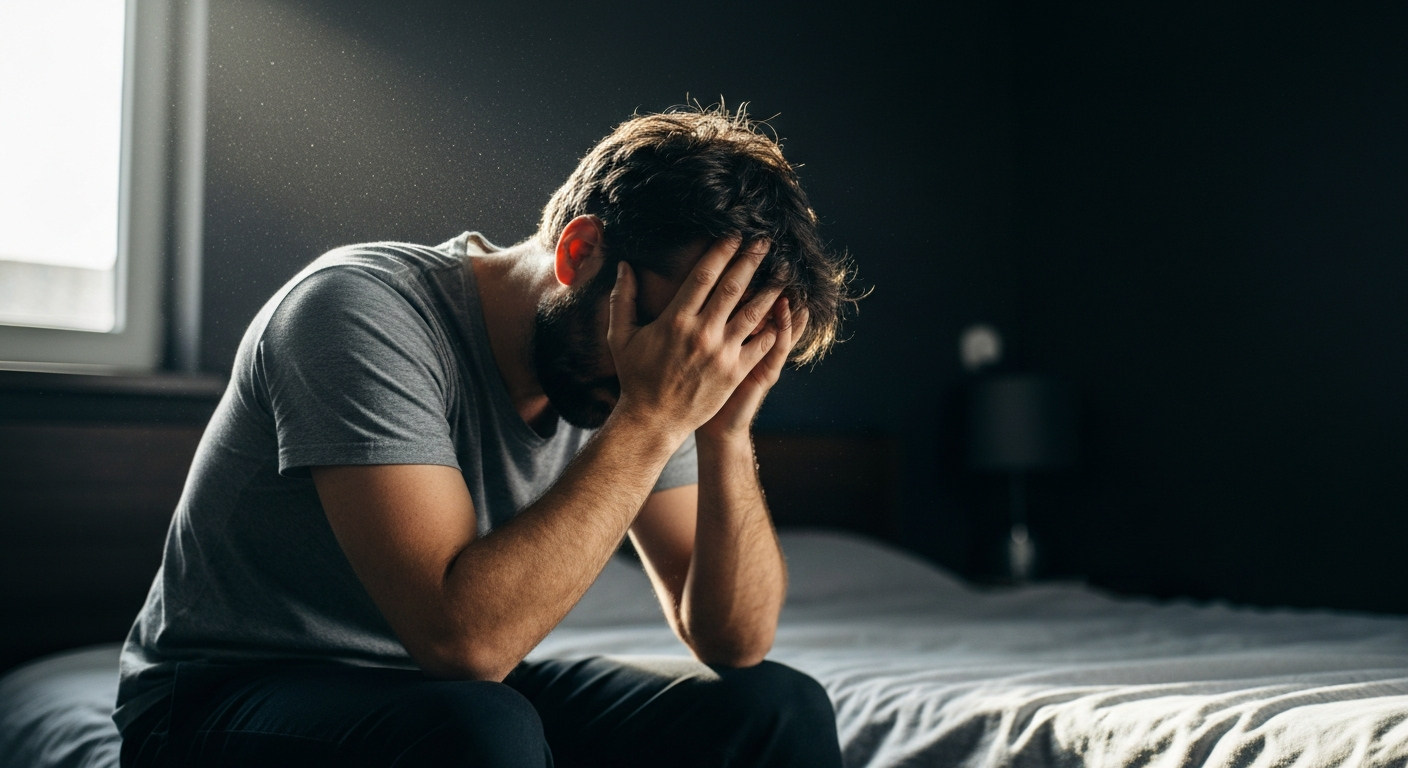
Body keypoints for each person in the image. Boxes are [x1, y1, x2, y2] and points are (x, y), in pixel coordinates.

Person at [115, 106, 854, 767]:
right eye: (672, 334)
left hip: (448, 694)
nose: (676, 368)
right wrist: (654, 417)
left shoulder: (653, 378)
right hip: (224, 698)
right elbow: (462, 642)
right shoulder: (358, 309)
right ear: (579, 253)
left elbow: (735, 641)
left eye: (713, 347)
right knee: (478, 725)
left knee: (773, 708)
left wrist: (724, 426)